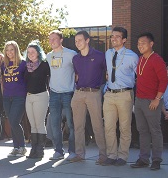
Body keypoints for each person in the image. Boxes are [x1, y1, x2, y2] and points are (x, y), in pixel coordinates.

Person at [130, 32, 168, 170]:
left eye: (143, 43)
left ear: (151, 44)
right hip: (139, 100)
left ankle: (156, 160)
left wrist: (157, 99)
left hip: (152, 101)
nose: (140, 45)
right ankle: (143, 159)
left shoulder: (157, 59)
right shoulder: (140, 59)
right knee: (142, 131)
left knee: (155, 131)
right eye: (139, 43)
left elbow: (164, 81)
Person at [102, 27, 139, 166]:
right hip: (110, 94)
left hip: (125, 94)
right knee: (109, 126)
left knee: (124, 127)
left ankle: (122, 156)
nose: (113, 39)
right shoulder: (108, 53)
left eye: (117, 36)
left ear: (124, 39)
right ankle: (111, 155)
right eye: (112, 36)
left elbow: (139, 75)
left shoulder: (132, 56)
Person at [70, 31, 107, 164]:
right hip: (78, 93)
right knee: (78, 126)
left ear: (87, 41)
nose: (77, 43)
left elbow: (107, 72)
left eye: (80, 40)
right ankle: (80, 154)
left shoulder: (99, 56)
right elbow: (77, 75)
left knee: (97, 125)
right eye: (75, 41)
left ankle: (103, 155)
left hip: (94, 93)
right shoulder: (76, 58)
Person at [46, 30, 77, 160]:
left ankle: (72, 151)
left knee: (71, 123)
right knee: (54, 124)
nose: (52, 41)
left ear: (61, 40)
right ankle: (58, 151)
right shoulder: (48, 56)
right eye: (50, 39)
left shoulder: (71, 54)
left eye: (55, 39)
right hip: (53, 94)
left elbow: (78, 72)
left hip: (68, 93)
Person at [24, 40, 50, 158]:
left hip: (41, 96)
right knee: (32, 124)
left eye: (33, 52)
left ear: (38, 53)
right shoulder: (26, 66)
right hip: (29, 97)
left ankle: (40, 150)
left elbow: (49, 80)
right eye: (28, 52)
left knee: (39, 124)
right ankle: (33, 149)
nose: (30, 54)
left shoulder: (44, 65)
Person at [1, 41, 27, 157]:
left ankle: (22, 146)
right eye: (7, 50)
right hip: (7, 97)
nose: (9, 52)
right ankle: (16, 147)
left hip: (19, 96)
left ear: (16, 50)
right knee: (11, 122)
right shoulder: (4, 64)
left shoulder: (23, 64)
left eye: (11, 50)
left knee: (14, 121)